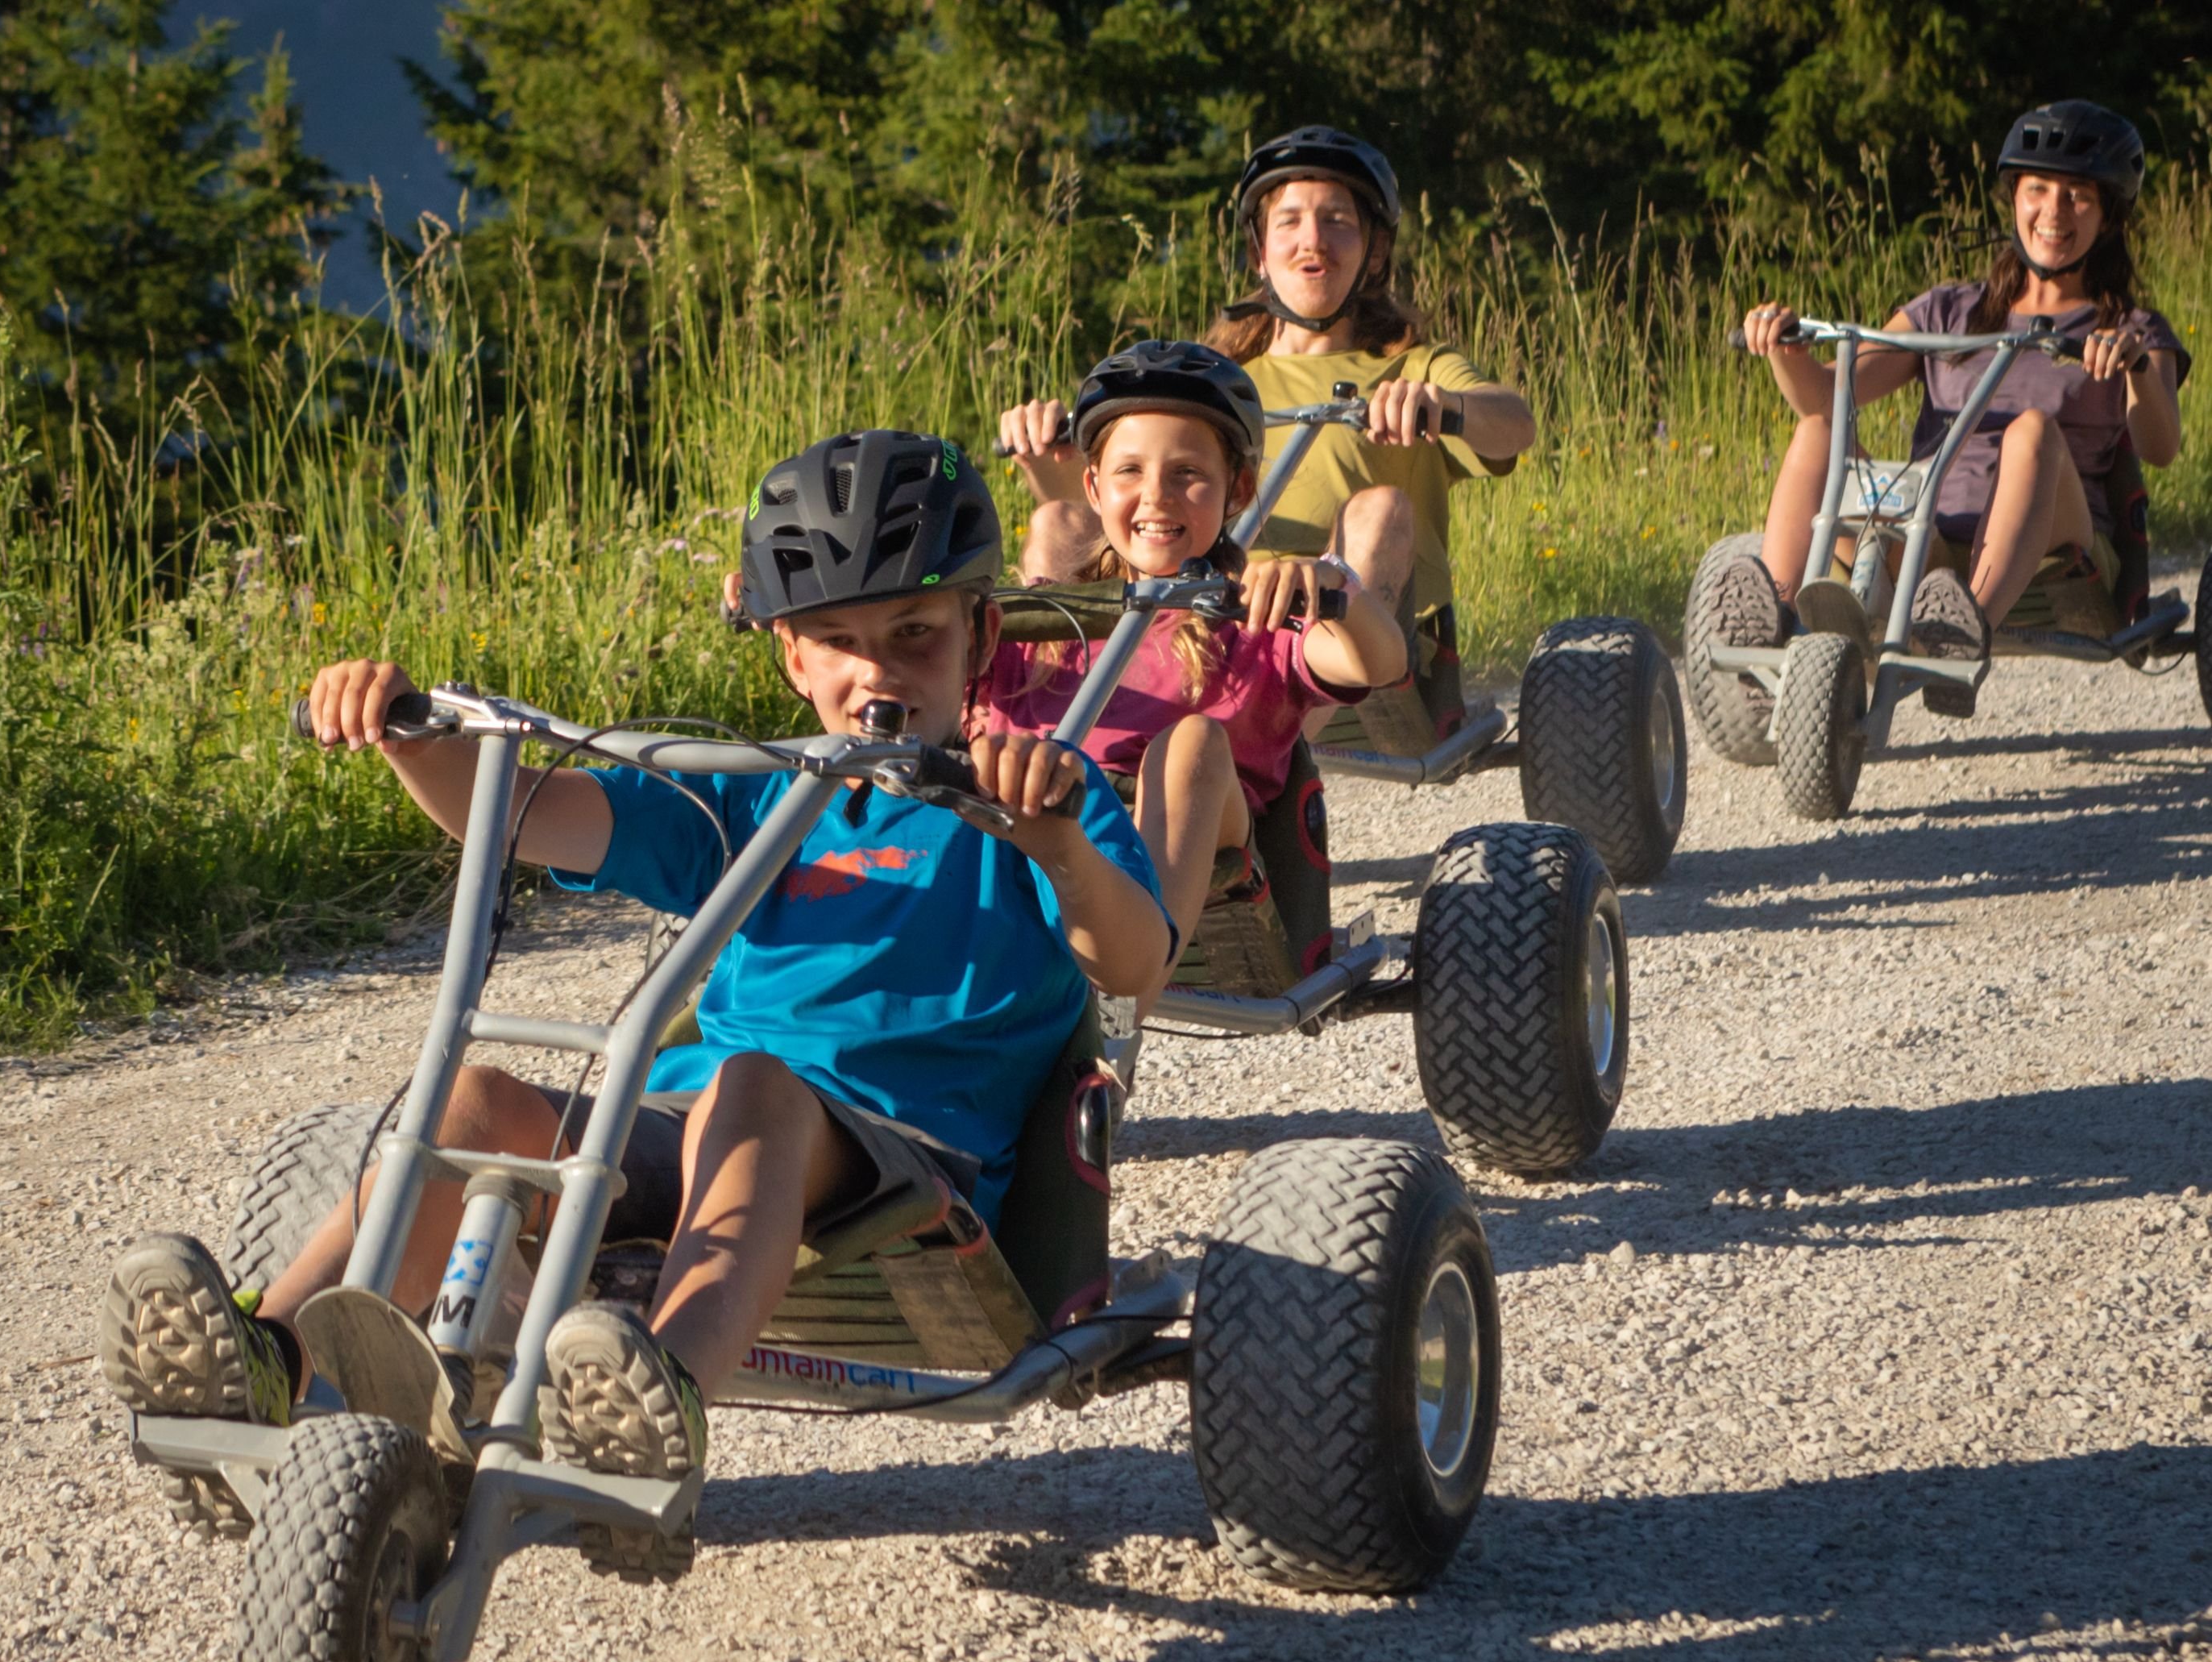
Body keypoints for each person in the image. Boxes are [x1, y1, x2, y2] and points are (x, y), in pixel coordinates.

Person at [101, 430, 1172, 1572]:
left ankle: (654, 1411)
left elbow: (1133, 963)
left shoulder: (1034, 794)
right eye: (837, 643)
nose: (878, 675)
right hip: (695, 1130)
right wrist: (400, 730)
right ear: (788, 661)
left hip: (905, 1166)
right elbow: (532, 813)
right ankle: (274, 1358)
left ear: (979, 636)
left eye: (913, 636)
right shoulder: (760, 797)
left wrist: (1051, 837)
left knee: (755, 1085)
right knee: (469, 1102)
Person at [1001, 127, 1533, 741]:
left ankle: (1282, 730)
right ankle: (1043, 727)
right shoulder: (1215, 383)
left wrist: (1441, 405)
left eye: (1337, 221)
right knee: (1055, 524)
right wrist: (1046, 455)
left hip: (1351, 647)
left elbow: (1514, 426)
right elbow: (1107, 516)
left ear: (1374, 252)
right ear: (1259, 252)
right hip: (1208, 629)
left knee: (1379, 509)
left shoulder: (1411, 366)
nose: (1313, 240)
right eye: (1289, 222)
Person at [978, 340, 1411, 959]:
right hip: (1041, 848)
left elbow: (1380, 662)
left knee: (1192, 743)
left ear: (1236, 490)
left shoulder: (1254, 622)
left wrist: (1332, 586)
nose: (1156, 495)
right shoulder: (1044, 625)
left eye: (1187, 474)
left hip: (1199, 863)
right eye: (1130, 471)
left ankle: (1133, 972)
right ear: (1093, 488)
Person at [1737, 102, 2188, 671]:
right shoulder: (1949, 310)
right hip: (1928, 544)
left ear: (2108, 217)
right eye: (2037, 190)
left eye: (2077, 195)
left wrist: (2136, 370)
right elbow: (1827, 396)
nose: (2053, 211)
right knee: (1816, 431)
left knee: (2030, 431)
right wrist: (1783, 349)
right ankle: (1771, 622)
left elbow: (2160, 446)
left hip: (2058, 548)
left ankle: (1963, 628)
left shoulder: (2129, 331)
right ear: (2014, 199)